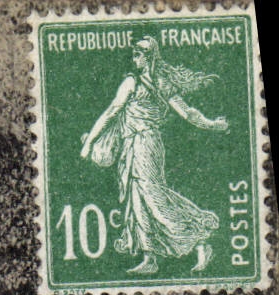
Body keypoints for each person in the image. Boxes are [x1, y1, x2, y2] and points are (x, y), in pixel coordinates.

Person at [80, 35, 228, 274]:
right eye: (134, 55)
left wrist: (212, 125)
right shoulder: (139, 81)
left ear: (148, 57)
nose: (134, 59)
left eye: (137, 55)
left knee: (153, 196)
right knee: (137, 198)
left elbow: (186, 113)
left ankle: (199, 241)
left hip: (146, 145)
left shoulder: (149, 83)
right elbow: (112, 111)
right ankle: (149, 258)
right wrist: (91, 142)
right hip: (132, 145)